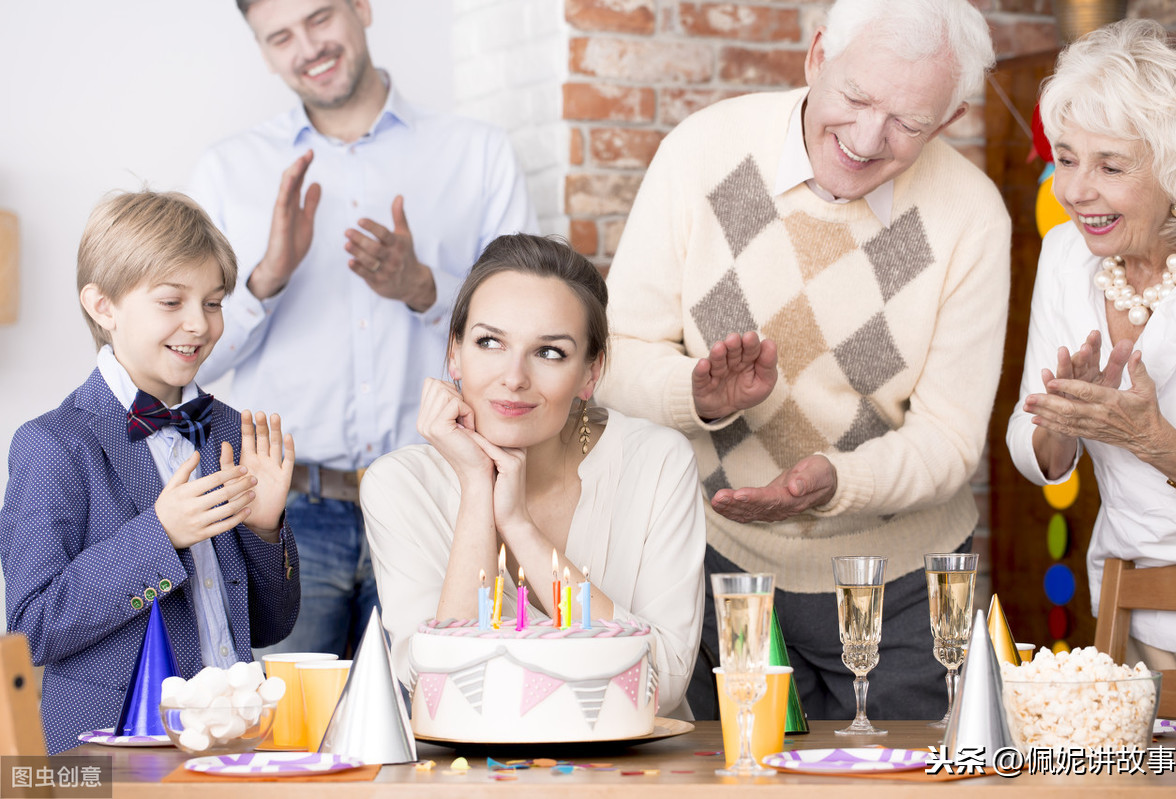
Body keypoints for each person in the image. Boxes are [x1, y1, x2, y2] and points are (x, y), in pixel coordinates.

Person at [596, 0, 1011, 721]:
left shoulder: (971, 217)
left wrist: (834, 482)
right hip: (709, 559)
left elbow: (949, 441)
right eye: (856, 98)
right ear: (818, 57)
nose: (866, 137)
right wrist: (693, 392)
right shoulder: (703, 150)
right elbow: (616, 353)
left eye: (909, 124)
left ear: (947, 120)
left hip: (899, 588)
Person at [189, 0, 538, 656]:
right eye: (281, 37)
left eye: (319, 18)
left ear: (361, 8)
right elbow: (187, 365)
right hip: (285, 511)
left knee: (435, 719)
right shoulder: (227, 171)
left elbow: (541, 324)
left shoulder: (477, 153)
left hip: (435, 497)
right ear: (264, 52)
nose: (307, 48)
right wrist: (265, 280)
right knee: (290, 737)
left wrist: (426, 289)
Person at [0, 191, 300, 754]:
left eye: (213, 303)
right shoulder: (53, 443)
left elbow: (270, 625)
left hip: (239, 744)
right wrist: (159, 535)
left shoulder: (233, 431)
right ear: (103, 306)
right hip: (110, 753)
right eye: (172, 301)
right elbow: (30, 628)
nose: (199, 324)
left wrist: (264, 529)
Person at [361, 234, 706, 716]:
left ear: (590, 373)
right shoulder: (398, 486)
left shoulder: (658, 463)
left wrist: (519, 526)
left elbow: (660, 687)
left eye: (549, 352)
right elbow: (442, 694)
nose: (514, 376)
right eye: (490, 342)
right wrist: (478, 486)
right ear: (454, 354)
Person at [1007, 20, 1176, 671]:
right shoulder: (1068, 254)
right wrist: (1062, 417)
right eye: (1065, 157)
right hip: (1129, 608)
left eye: (1109, 166)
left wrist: (1158, 441)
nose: (1073, 190)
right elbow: (1035, 452)